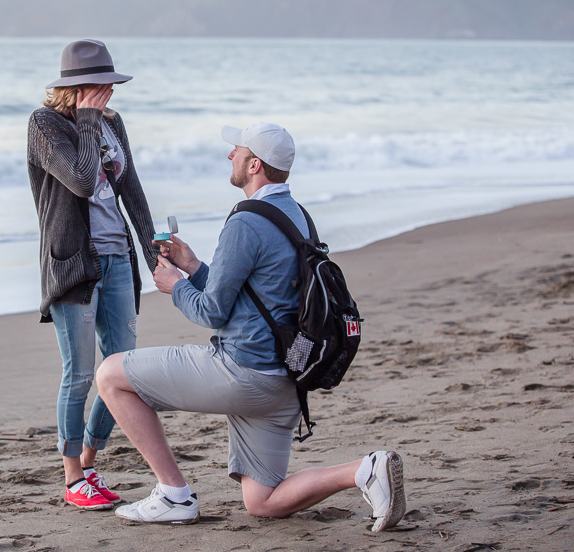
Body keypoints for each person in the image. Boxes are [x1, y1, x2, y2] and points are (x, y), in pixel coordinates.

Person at [96, 123, 407, 529]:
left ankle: (173, 494)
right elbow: (256, 298)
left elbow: (211, 313)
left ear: (254, 164)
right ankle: (365, 470)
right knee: (264, 501)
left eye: (237, 151)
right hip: (286, 382)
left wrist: (175, 287)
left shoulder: (245, 223)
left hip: (243, 375)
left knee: (110, 375)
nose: (231, 156)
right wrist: (193, 267)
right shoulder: (297, 216)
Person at [27, 39, 159, 510]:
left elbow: (131, 188)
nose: (109, 94)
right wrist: (85, 120)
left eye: (111, 85)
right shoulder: (45, 125)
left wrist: (150, 250)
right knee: (80, 373)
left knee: (122, 369)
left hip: (118, 258)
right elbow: (82, 180)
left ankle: (88, 457)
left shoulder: (112, 122)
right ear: (78, 87)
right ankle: (71, 477)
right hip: (73, 265)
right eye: (101, 87)